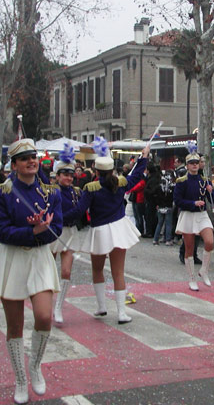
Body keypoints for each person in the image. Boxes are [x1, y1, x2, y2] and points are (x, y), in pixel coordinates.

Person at [0, 138, 63, 404]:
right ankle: (19, 379)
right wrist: (33, 230)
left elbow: (57, 228)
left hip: (39, 257)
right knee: (14, 325)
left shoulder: (51, 192)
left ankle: (35, 366)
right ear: (14, 164)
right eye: (24, 158)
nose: (31, 161)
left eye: (33, 157)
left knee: (44, 316)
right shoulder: (0, 193)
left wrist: (43, 229)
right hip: (13, 258)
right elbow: (3, 233)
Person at [74, 137, 150, 323]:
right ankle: (122, 313)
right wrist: (144, 157)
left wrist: (59, 218)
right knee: (118, 272)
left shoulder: (91, 188)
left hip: (99, 232)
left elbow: (79, 211)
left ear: (96, 171)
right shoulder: (120, 183)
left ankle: (101, 307)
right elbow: (136, 175)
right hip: (118, 229)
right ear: (112, 170)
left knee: (97, 270)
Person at [174, 142, 214, 291]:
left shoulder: (204, 180)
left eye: (196, 163)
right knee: (189, 248)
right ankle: (192, 278)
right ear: (187, 165)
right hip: (188, 215)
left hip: (202, 214)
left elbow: (213, 200)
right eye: (191, 163)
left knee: (209, 242)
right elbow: (178, 201)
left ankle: (204, 270)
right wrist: (193, 203)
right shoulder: (181, 181)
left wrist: (211, 191)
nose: (194, 165)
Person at [51, 144, 84, 325]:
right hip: (54, 233)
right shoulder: (52, 192)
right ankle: (46, 304)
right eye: (65, 174)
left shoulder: (76, 192)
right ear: (57, 176)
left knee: (66, 271)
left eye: (71, 175)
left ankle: (58, 308)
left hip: (70, 233)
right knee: (48, 271)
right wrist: (76, 212)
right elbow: (57, 215)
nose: (69, 178)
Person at [152, 169, 176, 246]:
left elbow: (154, 194)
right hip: (168, 206)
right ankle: (168, 240)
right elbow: (174, 197)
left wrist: (157, 203)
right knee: (168, 224)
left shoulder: (159, 185)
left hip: (160, 206)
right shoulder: (172, 186)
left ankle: (155, 239)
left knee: (159, 223)